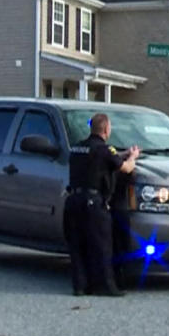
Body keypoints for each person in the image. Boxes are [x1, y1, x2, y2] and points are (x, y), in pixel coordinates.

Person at [64, 113, 138, 297]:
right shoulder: (105, 151)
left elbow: (101, 158)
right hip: (93, 204)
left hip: (73, 201)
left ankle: (80, 287)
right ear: (106, 129)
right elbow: (126, 168)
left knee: (77, 247)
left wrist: (121, 154)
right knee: (102, 246)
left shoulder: (78, 148)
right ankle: (107, 286)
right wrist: (133, 157)